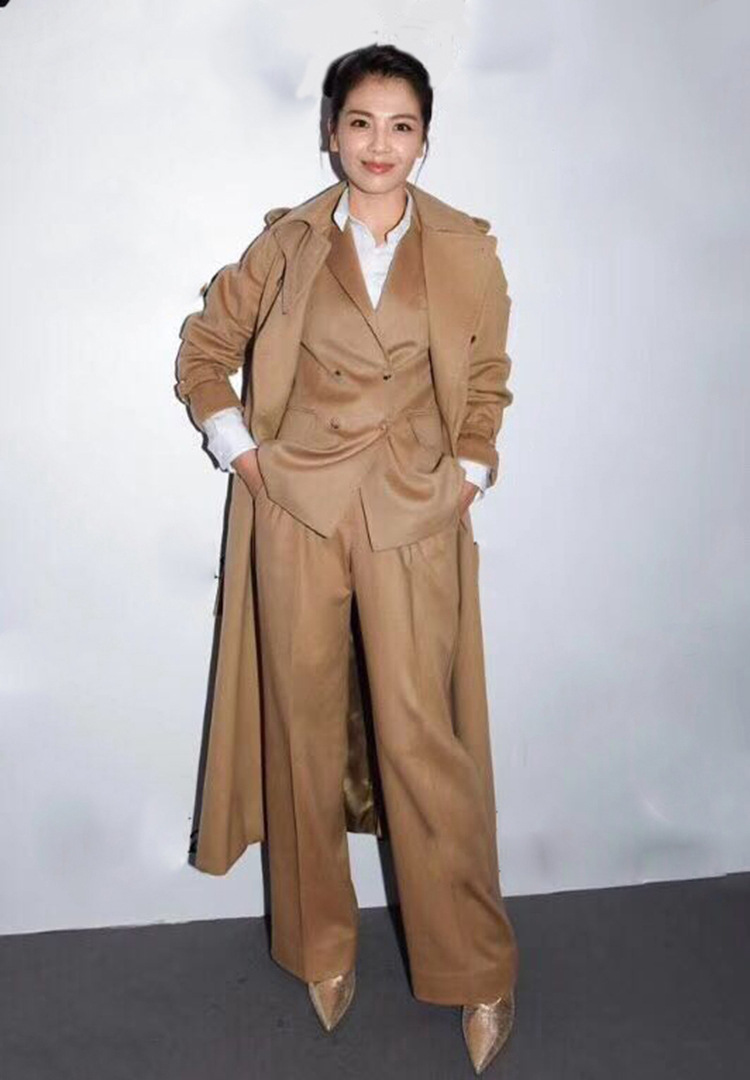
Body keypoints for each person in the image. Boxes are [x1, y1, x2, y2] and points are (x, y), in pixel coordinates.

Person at [175, 43, 519, 1075]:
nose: (379, 144)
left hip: (413, 513)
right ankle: (320, 946)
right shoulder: (287, 244)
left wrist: (468, 472)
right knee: (303, 730)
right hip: (298, 514)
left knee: (425, 743)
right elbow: (204, 351)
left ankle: (478, 967)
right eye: (361, 122)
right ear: (332, 132)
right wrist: (244, 456)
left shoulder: (466, 248)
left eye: (400, 126)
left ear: (424, 140)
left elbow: (489, 377)